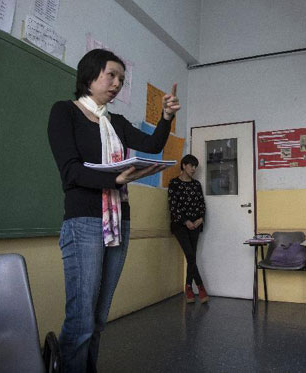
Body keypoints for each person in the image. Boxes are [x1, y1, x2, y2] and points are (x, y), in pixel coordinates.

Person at [47, 49, 180, 373]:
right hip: (84, 221)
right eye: (112, 75)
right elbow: (71, 171)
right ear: (90, 75)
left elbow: (151, 146)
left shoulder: (115, 122)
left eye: (122, 78)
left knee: (99, 318)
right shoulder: (65, 112)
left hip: (119, 221)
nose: (118, 83)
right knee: (81, 320)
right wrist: (116, 177)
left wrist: (165, 117)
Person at [168, 154, 208, 303]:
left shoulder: (196, 185)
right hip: (180, 226)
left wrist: (200, 218)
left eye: (195, 166)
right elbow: (173, 206)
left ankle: (188, 287)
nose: (194, 169)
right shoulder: (174, 183)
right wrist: (186, 221)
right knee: (191, 255)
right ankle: (200, 286)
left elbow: (201, 204)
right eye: (191, 165)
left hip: (196, 225)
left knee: (192, 257)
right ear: (184, 165)